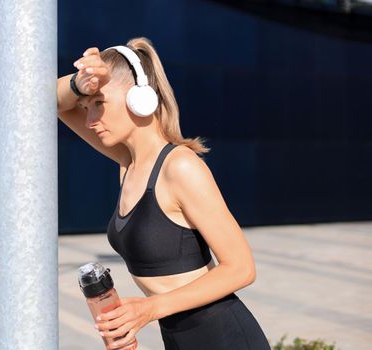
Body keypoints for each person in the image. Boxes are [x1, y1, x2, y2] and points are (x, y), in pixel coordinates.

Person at [57, 36, 271, 350]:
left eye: (99, 103)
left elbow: (241, 268)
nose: (90, 120)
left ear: (138, 97)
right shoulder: (128, 162)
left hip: (226, 339)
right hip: (179, 340)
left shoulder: (180, 167)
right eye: (87, 107)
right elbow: (49, 101)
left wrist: (148, 309)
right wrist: (80, 83)